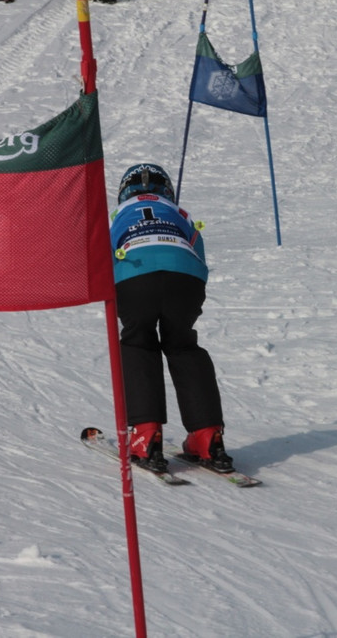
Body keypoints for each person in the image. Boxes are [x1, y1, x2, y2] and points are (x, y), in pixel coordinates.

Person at [109, 163, 234, 473]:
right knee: (183, 345)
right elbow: (198, 251)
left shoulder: (117, 215)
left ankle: (145, 435)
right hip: (185, 276)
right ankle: (207, 437)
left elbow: (102, 255)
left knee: (138, 343)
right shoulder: (180, 214)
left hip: (135, 272)